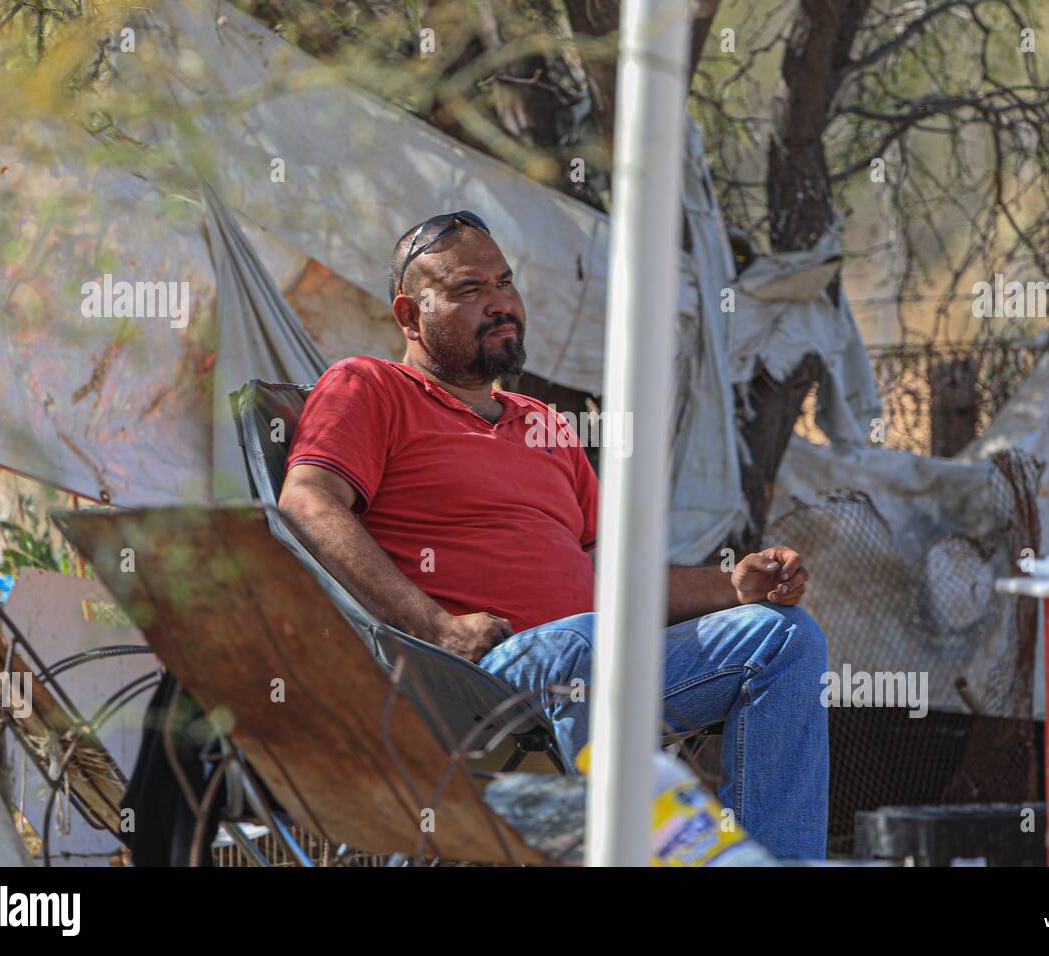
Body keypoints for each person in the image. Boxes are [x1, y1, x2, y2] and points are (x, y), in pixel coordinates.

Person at [278, 210, 828, 859]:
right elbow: (306, 502)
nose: (500, 304)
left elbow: (615, 582)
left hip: (591, 662)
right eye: (468, 290)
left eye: (505, 284)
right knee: (594, 638)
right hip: (467, 682)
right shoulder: (368, 386)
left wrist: (731, 587)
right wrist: (438, 626)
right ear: (408, 315)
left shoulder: (543, 423)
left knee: (784, 637)